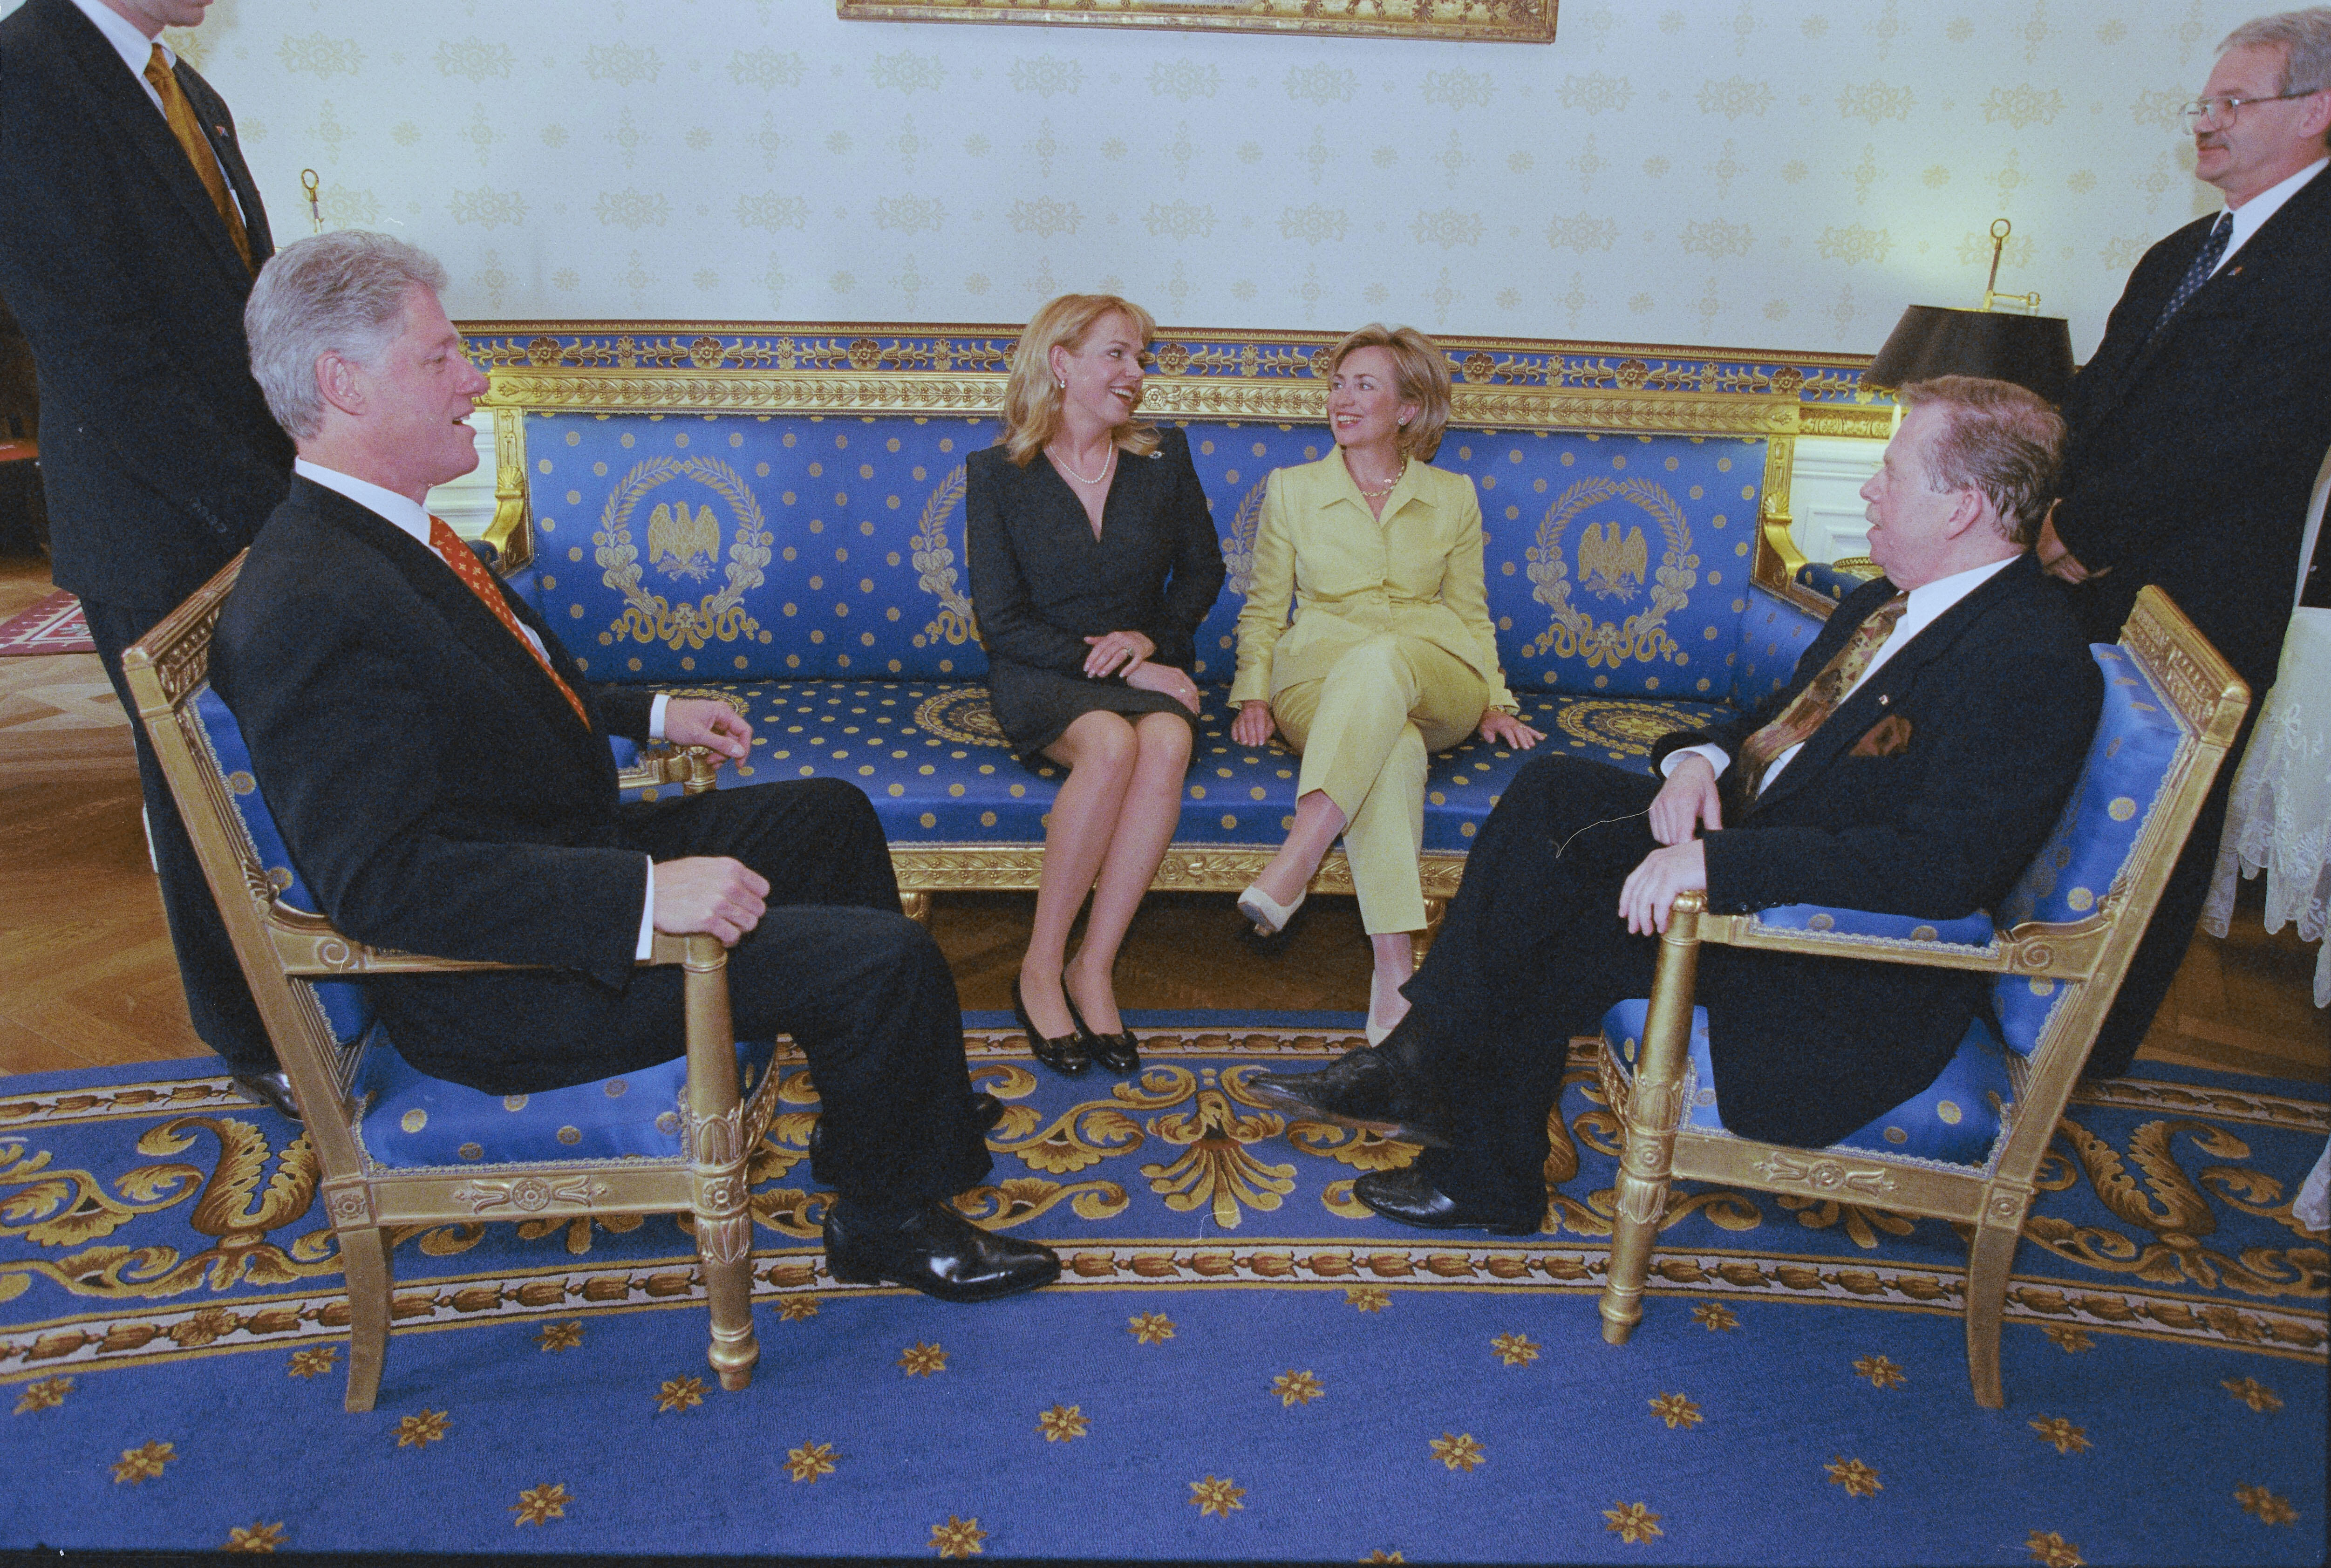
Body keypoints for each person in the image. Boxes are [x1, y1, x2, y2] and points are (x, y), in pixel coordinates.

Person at [211, 232, 1057, 1304]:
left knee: (830, 817)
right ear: (343, 384)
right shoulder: (311, 602)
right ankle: (890, 1219)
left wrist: (649, 710)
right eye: (441, 359)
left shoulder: (382, 538)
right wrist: (647, 895)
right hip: (508, 981)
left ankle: (888, 1107)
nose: (475, 380)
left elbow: (488, 692)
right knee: (882, 962)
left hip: (554, 854)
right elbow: (387, 884)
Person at [1250, 377, 2101, 1233]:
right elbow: (1771, 724)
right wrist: (1699, 762)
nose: (1868, 491)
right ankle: (1435, 1082)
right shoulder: (1884, 603)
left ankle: (1460, 1126)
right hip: (1761, 843)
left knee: (1548, 912)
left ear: (1962, 507)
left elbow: (1940, 864)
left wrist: (1716, 862)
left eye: (1892, 473)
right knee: (1554, 794)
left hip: (1830, 951)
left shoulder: (2027, 657)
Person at [0, 0, 295, 1111]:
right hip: (153, 514)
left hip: (246, 494)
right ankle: (250, 1032)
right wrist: (268, 516)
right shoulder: (28, 72)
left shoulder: (189, 93)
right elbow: (97, 346)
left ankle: (311, 990)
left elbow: (247, 316)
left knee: (273, 761)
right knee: (197, 780)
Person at [2038, 7, 2331, 1078]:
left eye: (2231, 104)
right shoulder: (2185, 250)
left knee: (2157, 828)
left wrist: (2080, 534)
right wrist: (2034, 509)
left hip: (2200, 601)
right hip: (2089, 581)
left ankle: (2088, 1052)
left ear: (2317, 112)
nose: (2204, 124)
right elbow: (2097, 404)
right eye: (2201, 104)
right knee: (2065, 806)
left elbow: (2245, 437)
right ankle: (2021, 1001)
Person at [1228, 325, 1542, 1045]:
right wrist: (1253, 692)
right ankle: (1396, 977)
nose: (1343, 398)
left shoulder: (1452, 495)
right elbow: (1265, 604)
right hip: (1320, 682)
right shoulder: (1293, 491)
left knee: (1384, 659)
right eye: (1338, 383)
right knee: (1391, 748)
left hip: (1437, 676)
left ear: (1408, 408)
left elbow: (1469, 609)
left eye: (1364, 384)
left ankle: (1297, 857)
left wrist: (1495, 697)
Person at [965, 295, 1224, 1078]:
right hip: (1041, 671)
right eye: (1117, 354)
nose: (1135, 373)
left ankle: (1095, 966)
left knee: (1169, 736)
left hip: (1141, 664)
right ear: (1062, 362)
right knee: (1111, 743)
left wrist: (1152, 641)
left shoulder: (1162, 458)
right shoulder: (997, 473)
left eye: (1141, 358)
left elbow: (1203, 572)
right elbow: (1001, 621)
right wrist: (1126, 667)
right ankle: (1041, 966)